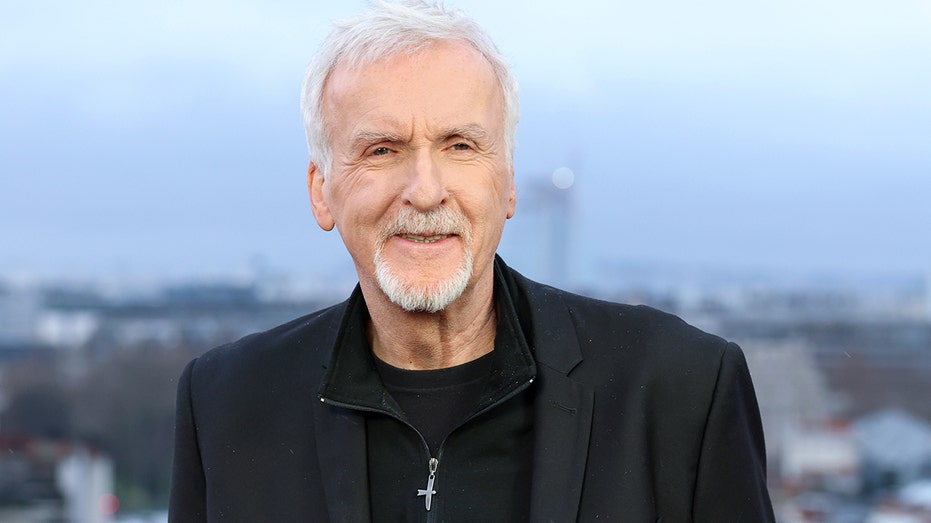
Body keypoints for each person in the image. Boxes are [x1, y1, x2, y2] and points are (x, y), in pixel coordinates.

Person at [169, 1, 776, 521]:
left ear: (507, 183)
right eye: (382, 150)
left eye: (459, 146)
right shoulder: (227, 406)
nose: (425, 191)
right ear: (321, 191)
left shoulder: (680, 391)